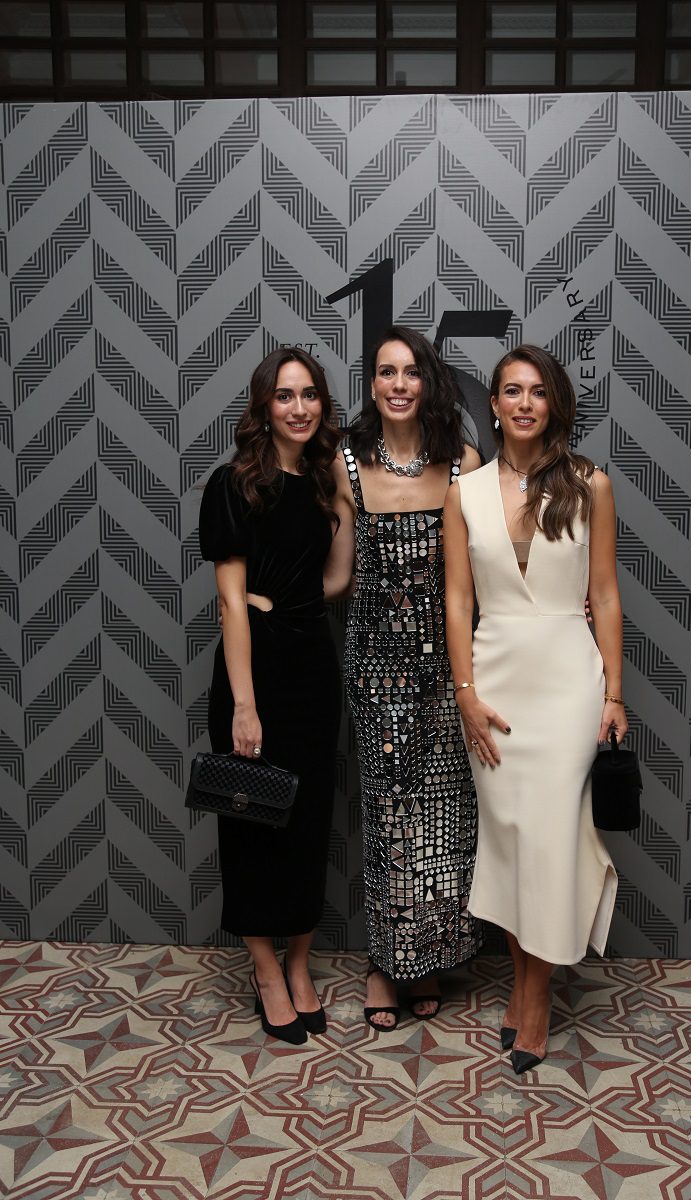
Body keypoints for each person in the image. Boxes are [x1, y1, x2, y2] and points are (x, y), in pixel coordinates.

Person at [443, 344, 626, 1073]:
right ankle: (523, 983)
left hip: (567, 683)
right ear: (492, 405)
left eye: (538, 391)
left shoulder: (590, 484)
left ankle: (537, 994)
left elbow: (604, 595)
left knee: (549, 840)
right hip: (493, 682)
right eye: (512, 391)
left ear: (554, 405)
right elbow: (458, 602)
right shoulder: (465, 491)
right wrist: (465, 694)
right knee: (513, 842)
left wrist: (614, 693)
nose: (525, 403)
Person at [327, 325, 482, 1030]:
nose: (398, 384)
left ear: (428, 383)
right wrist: (264, 599)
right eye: (386, 372)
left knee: (445, 813)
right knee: (391, 814)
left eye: (410, 372)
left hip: (448, 663)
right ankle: (386, 965)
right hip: (376, 665)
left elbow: (475, 577)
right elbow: (339, 575)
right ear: (372, 385)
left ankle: (431, 958)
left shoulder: (462, 463)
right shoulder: (347, 463)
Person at [199, 347, 353, 1045]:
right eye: (285, 395)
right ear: (264, 406)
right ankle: (265, 969)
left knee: (309, 819)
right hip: (252, 670)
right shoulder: (234, 484)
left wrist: (341, 494)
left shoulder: (322, 482)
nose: (299, 407)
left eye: (310, 394)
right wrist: (244, 704)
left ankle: (299, 963)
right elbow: (231, 603)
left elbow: (338, 579)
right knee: (252, 821)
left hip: (312, 666)